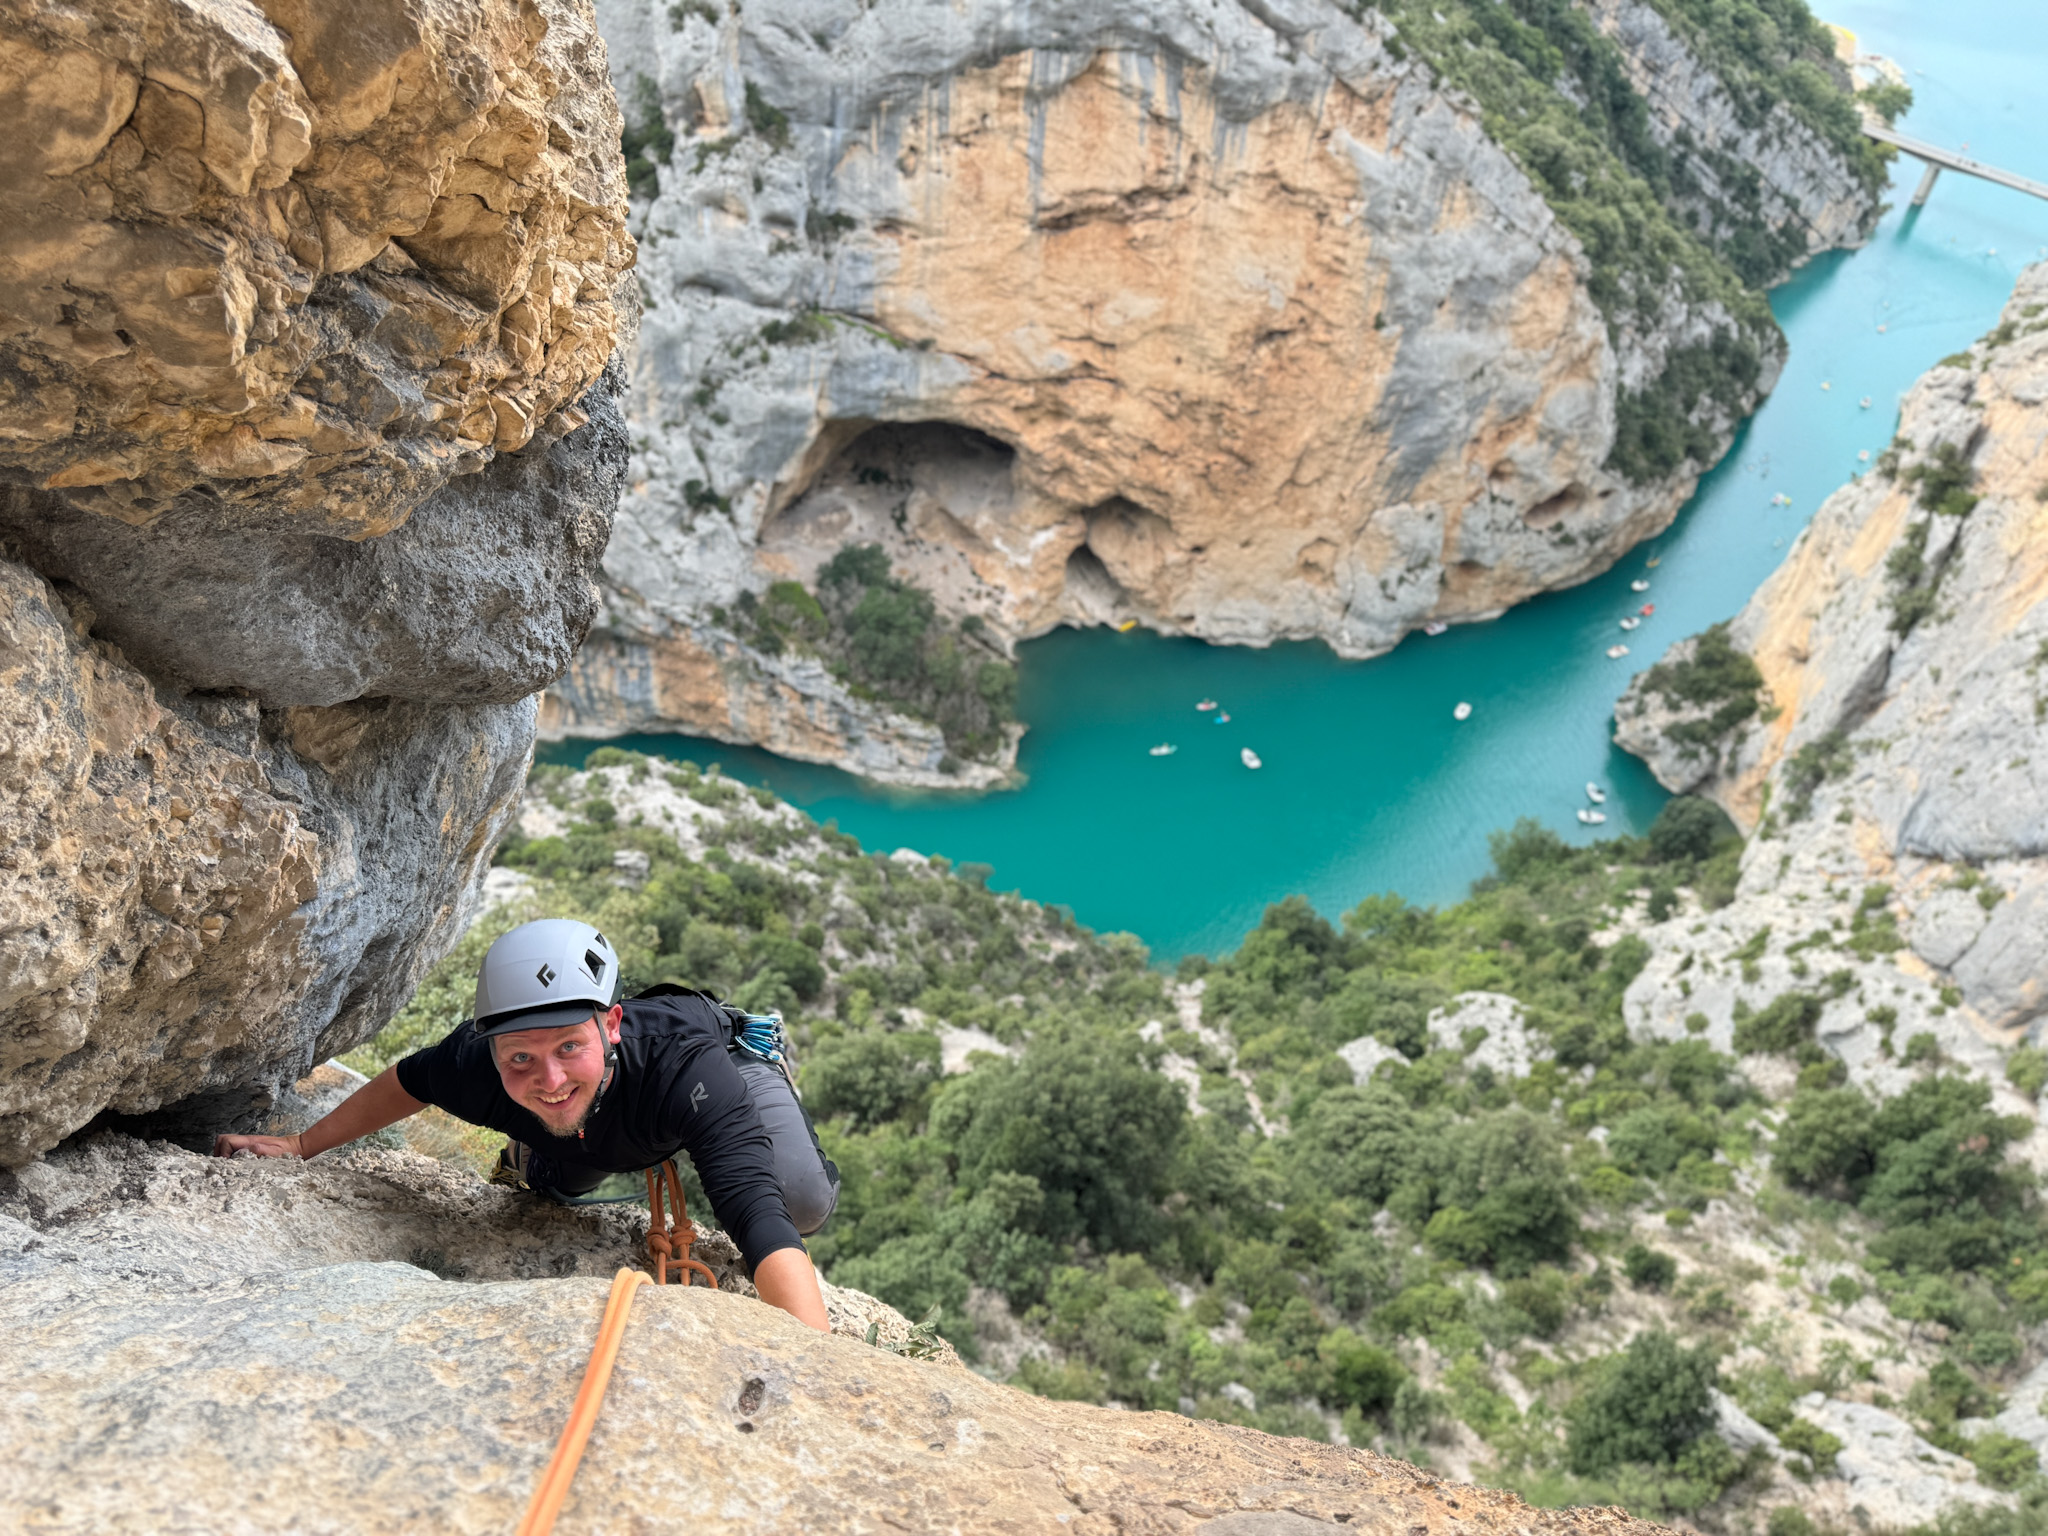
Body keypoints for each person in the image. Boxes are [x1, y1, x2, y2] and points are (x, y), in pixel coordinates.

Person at [215, 919, 837, 1332]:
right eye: (521, 1058)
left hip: (714, 1071)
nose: (549, 1076)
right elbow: (407, 1082)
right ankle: (533, 1152)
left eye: (569, 1045)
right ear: (492, 1051)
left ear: (612, 1024)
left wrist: (819, 1371)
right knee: (559, 1179)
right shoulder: (473, 1062)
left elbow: (757, 1215)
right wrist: (301, 1145)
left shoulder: (688, 1067)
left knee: (800, 1199)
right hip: (601, 1122)